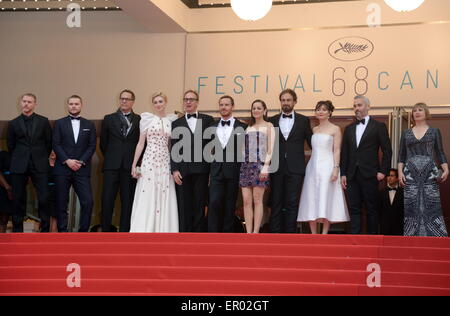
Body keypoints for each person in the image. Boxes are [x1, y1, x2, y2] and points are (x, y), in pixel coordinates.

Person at [341, 95, 392, 235]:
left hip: (370, 174)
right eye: (355, 106)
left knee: (372, 209)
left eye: (359, 105)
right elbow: (345, 153)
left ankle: (372, 242)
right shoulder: (349, 129)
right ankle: (355, 242)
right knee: (354, 209)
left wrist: (383, 171)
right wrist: (343, 173)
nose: (356, 108)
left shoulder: (379, 126)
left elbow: (387, 151)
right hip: (351, 175)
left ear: (368, 107)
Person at [297, 101, 349, 234]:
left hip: (328, 166)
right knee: (311, 197)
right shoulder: (314, 130)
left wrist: (336, 168)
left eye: (324, 109)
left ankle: (325, 233)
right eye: (318, 109)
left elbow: (337, 150)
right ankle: (313, 234)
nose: (320, 112)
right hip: (313, 167)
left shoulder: (335, 129)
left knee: (327, 196)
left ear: (330, 113)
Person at [130, 92, 179, 233]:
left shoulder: (172, 120)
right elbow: (140, 143)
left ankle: (163, 229)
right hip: (149, 160)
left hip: (165, 160)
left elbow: (171, 145)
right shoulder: (146, 119)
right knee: (148, 190)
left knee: (164, 190)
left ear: (165, 102)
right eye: (156, 102)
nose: (158, 104)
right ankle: (145, 228)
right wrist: (134, 164)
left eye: (160, 101)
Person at [398, 103, 449, 237]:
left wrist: (446, 169)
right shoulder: (406, 133)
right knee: (411, 207)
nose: (417, 112)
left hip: (430, 175)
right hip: (410, 175)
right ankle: (411, 237)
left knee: (432, 206)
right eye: (414, 110)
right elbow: (401, 155)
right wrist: (399, 173)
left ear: (426, 113)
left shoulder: (434, 131)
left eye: (420, 110)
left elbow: (440, 152)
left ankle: (436, 238)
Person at [268, 89, 313, 234]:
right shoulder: (272, 120)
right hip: (276, 167)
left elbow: (313, 143)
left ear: (294, 102)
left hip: (296, 167)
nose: (285, 103)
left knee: (292, 203)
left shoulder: (304, 120)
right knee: (276, 202)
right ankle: (274, 234)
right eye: (283, 100)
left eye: (288, 100)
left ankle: (290, 235)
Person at [7, 93, 52, 232]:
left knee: (44, 197)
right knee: (18, 199)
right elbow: (10, 145)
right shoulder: (13, 123)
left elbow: (48, 143)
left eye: (29, 101)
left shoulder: (44, 121)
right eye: (24, 101)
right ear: (21, 103)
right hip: (19, 164)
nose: (26, 104)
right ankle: (17, 231)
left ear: (35, 104)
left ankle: (44, 230)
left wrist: (40, 156)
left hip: (39, 163)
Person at [171, 90, 214, 232]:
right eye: (186, 99)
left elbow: (213, 146)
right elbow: (173, 147)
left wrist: (211, 172)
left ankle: (198, 235)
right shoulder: (176, 123)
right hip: (183, 170)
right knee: (184, 203)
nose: (188, 102)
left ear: (197, 102)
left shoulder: (208, 120)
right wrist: (175, 169)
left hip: (202, 169)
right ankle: (184, 234)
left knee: (200, 202)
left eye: (191, 99)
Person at [53, 95, 96, 232]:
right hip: (62, 169)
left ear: (81, 105)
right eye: (71, 104)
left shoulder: (89, 125)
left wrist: (81, 162)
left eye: (76, 104)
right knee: (61, 202)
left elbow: (92, 146)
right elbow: (56, 144)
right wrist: (67, 160)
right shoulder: (59, 123)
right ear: (67, 105)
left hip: (82, 169)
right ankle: (62, 232)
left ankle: (83, 233)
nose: (73, 106)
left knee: (88, 202)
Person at [100, 90, 141, 232]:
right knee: (107, 200)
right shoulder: (108, 118)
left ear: (133, 102)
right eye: (122, 98)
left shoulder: (139, 120)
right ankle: (105, 231)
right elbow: (103, 144)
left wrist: (136, 165)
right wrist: (113, 157)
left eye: (127, 99)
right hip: (111, 166)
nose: (124, 101)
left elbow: (141, 144)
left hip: (130, 167)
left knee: (128, 202)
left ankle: (125, 232)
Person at [207, 95, 247, 233]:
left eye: (226, 104)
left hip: (234, 170)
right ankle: (212, 234)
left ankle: (227, 234)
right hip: (216, 170)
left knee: (230, 204)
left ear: (232, 107)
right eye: (221, 105)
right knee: (214, 201)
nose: (223, 107)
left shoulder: (242, 126)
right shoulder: (211, 126)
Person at [239, 100, 275, 234]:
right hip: (246, 166)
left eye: (259, 108)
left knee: (257, 199)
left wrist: (266, 166)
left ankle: (255, 232)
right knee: (247, 201)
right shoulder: (248, 127)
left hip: (260, 166)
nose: (256, 110)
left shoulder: (269, 126)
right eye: (254, 108)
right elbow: (243, 149)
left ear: (264, 110)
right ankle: (248, 232)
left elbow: (270, 149)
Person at [379, 168, 404, 236]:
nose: (389, 178)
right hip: (384, 228)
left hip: (399, 228)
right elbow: (379, 210)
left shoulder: (403, 193)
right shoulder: (381, 192)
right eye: (388, 176)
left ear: (397, 178)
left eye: (392, 176)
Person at [0, 151, 13, 233]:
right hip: (2, 188)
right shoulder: (3, 154)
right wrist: (7, 187)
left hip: (14, 189)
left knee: (5, 218)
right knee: (2, 218)